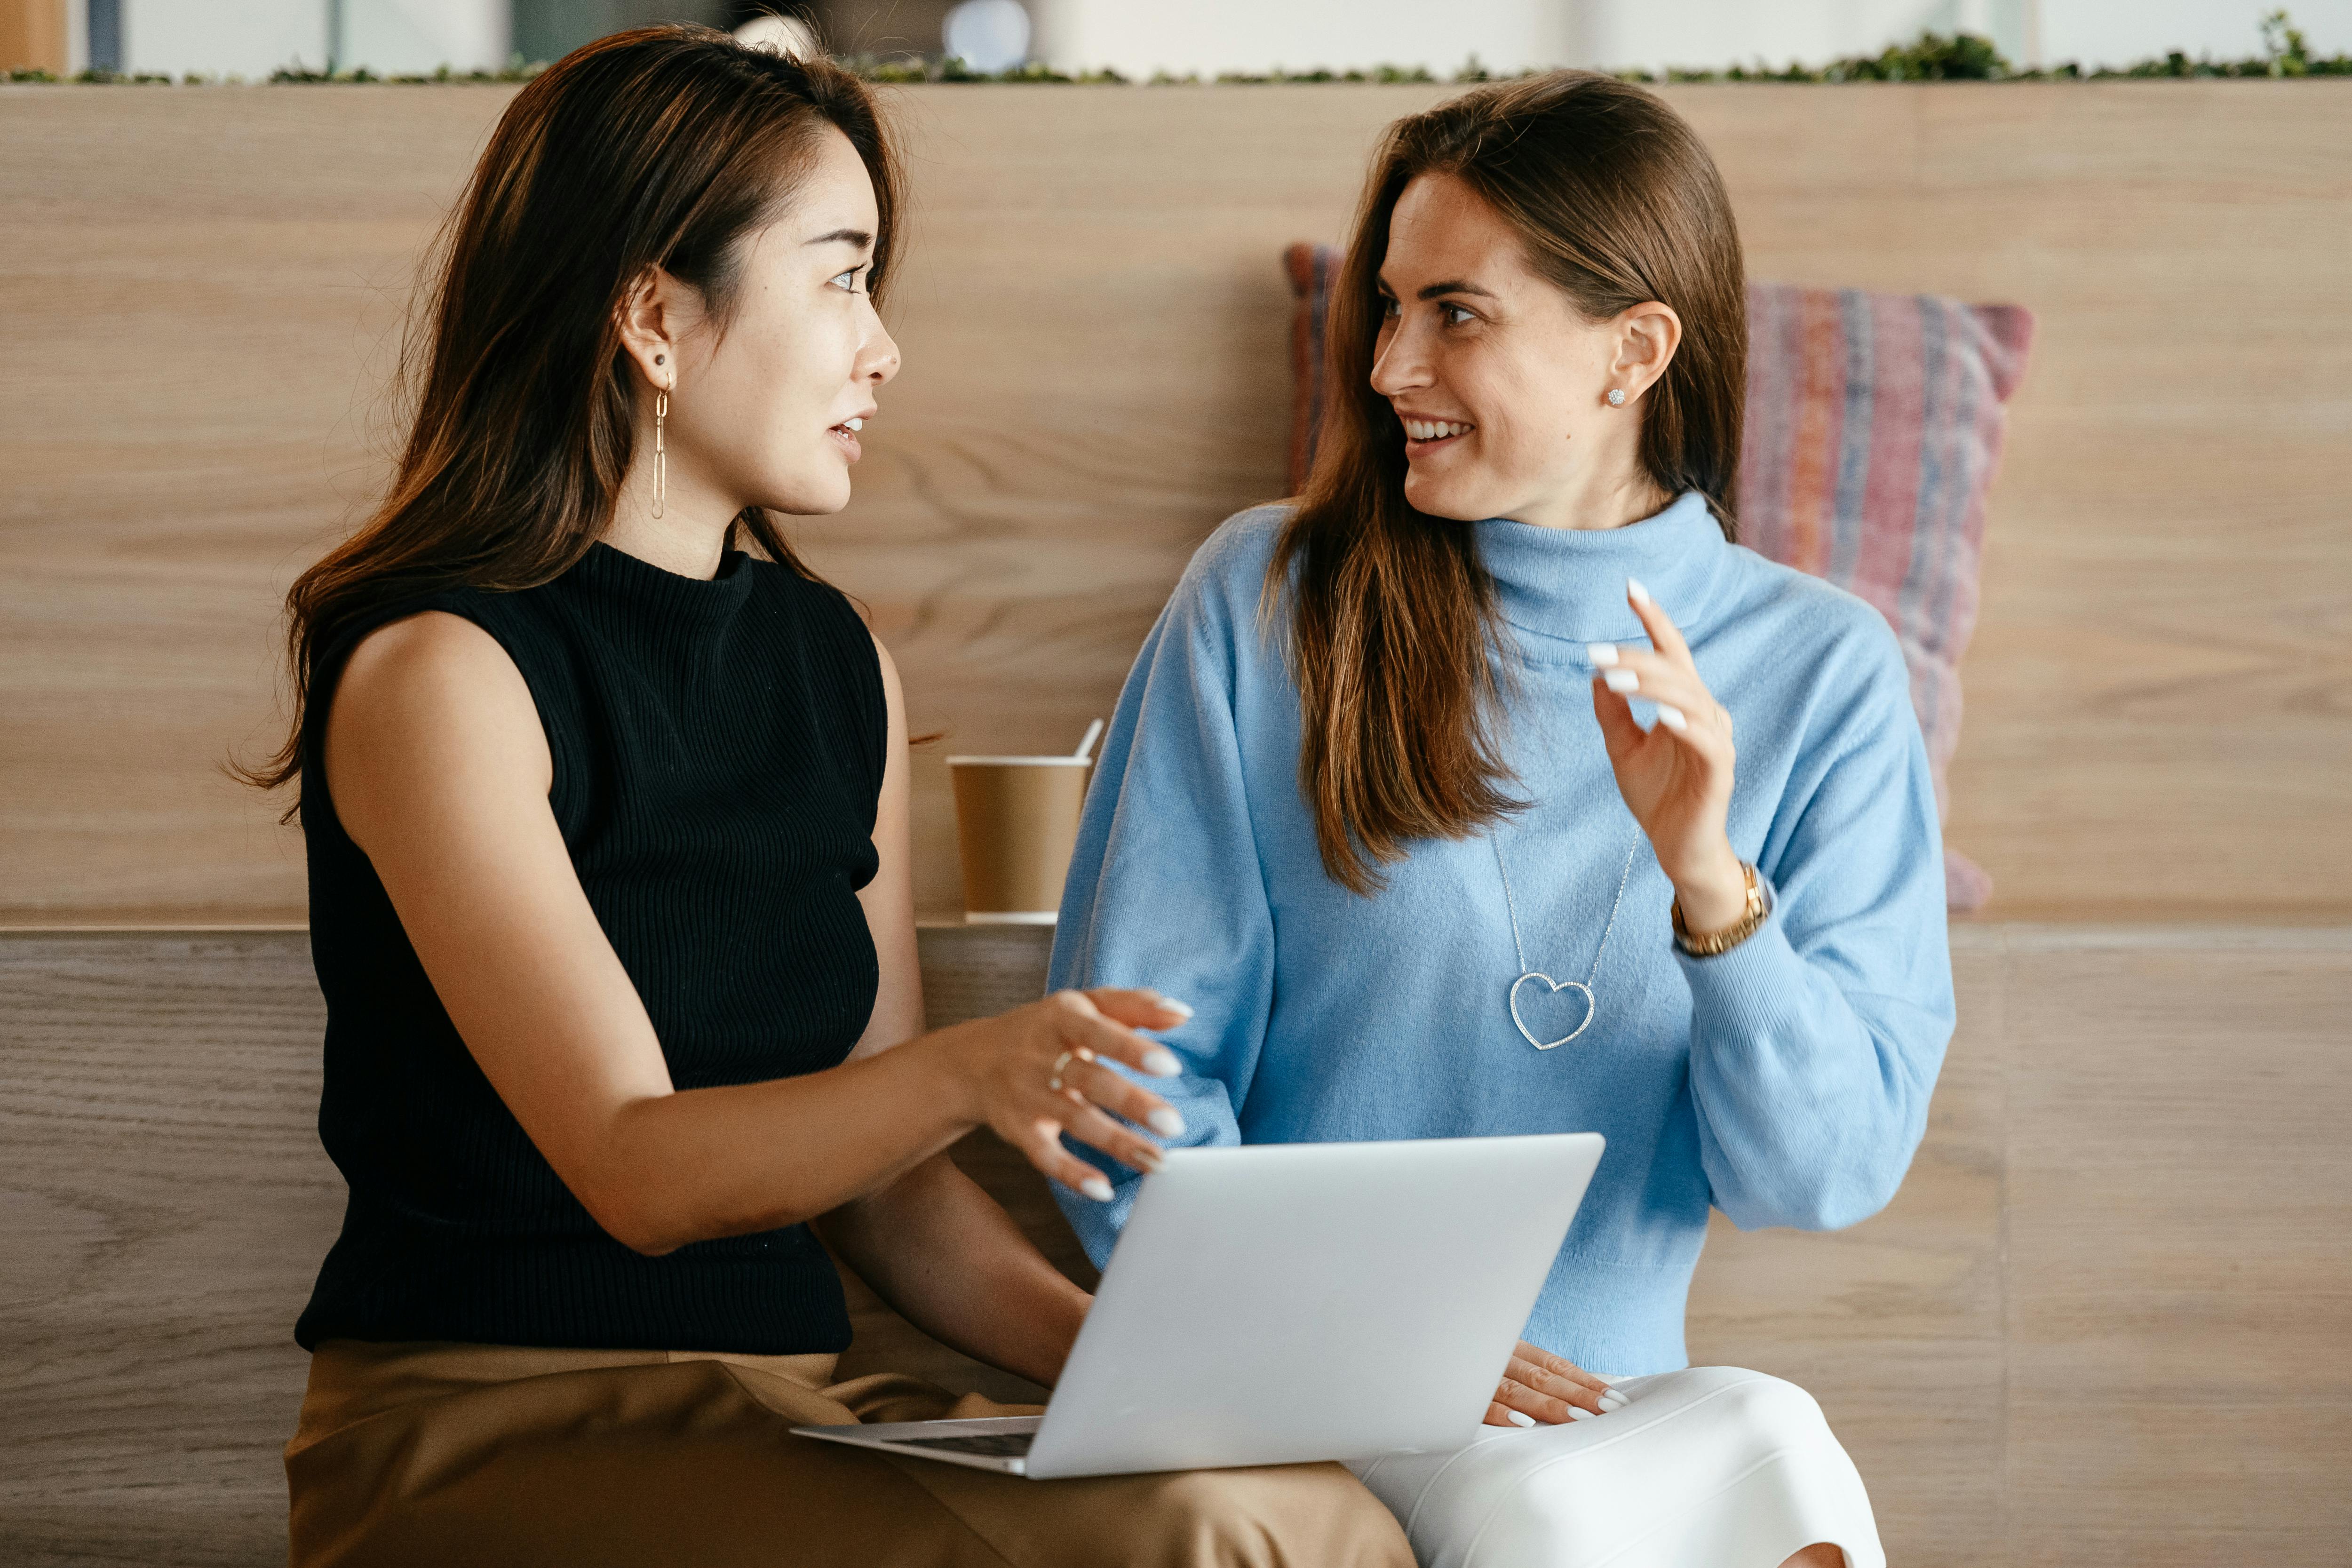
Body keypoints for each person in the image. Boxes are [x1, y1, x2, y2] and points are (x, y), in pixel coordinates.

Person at [238, 26, 1413, 1568]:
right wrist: (975, 1071)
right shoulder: (442, 675)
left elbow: (893, 1202)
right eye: (842, 275)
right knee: (1204, 1541)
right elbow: (636, 1167)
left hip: (787, 1411)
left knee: (1311, 1509)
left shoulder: (832, 659)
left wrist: (1193, 1383)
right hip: (487, 1428)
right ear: (657, 315)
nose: (885, 347)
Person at [1051, 72, 1955, 1568]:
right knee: (1555, 1509)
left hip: (1612, 1398)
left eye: (1455, 314)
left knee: (1779, 1438)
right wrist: (1367, 1348)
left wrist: (1708, 885)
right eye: (1387, 307)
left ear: (1635, 350)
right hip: (1308, 1390)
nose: (1392, 362)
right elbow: (1121, 1090)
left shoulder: (1826, 671)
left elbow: (1824, 1170)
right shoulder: (1268, 600)